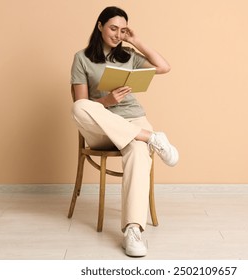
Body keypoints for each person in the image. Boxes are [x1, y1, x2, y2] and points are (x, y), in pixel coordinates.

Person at [70, 6, 179, 257]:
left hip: (134, 120)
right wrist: (107, 102)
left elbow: (163, 67)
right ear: (100, 26)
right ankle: (153, 139)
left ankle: (133, 230)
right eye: (113, 28)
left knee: (139, 150)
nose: (118, 34)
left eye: (122, 30)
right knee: (78, 107)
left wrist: (136, 40)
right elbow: (82, 103)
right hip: (102, 125)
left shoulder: (128, 55)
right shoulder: (82, 58)